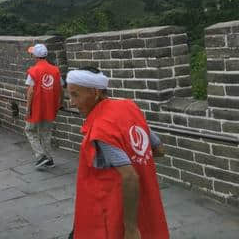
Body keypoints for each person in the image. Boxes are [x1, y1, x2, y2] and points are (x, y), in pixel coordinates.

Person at [67, 67, 168, 239]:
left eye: (75, 95)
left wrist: (130, 228)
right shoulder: (129, 107)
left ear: (95, 92)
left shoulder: (101, 127)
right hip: (145, 200)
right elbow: (158, 150)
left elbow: (129, 177)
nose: (71, 102)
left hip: (110, 206)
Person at [24, 44, 63, 169]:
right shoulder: (55, 70)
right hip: (50, 107)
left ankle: (41, 156)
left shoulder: (33, 70)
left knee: (29, 130)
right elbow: (61, 88)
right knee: (46, 133)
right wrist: (60, 102)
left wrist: (28, 109)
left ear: (35, 56)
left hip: (37, 107)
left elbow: (30, 91)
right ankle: (50, 159)